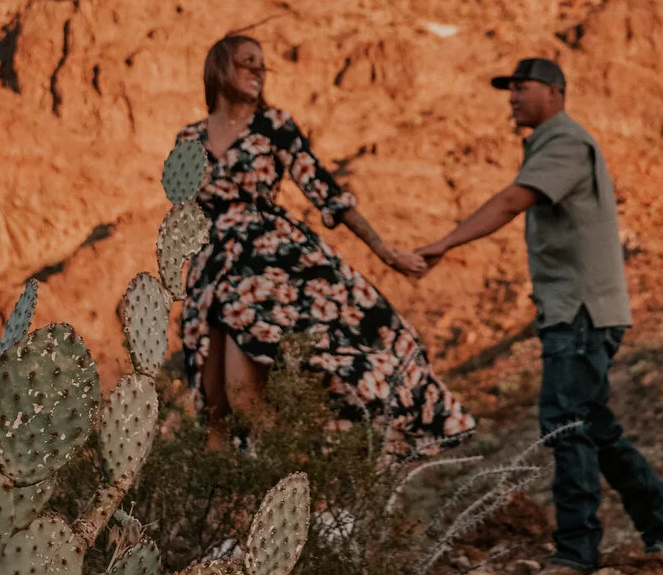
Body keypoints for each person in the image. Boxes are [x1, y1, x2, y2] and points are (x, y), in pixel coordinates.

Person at [416, 56, 663, 575]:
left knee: (564, 422)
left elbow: (511, 202)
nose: (513, 96)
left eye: (523, 87)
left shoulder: (565, 142)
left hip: (581, 312)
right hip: (580, 310)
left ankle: (577, 551)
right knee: (594, 426)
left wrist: (445, 243)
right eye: (511, 88)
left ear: (555, 93)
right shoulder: (550, 144)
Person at [174, 32, 477, 457]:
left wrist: (383, 249)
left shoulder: (274, 126)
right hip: (209, 271)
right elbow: (180, 214)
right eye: (248, 61)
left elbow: (326, 192)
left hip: (264, 267)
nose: (259, 70)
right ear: (220, 68)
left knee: (245, 401)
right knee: (214, 411)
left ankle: (294, 478)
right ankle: (223, 498)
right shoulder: (188, 138)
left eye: (262, 63)